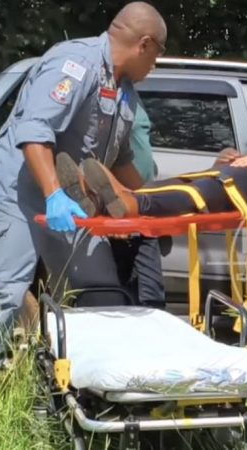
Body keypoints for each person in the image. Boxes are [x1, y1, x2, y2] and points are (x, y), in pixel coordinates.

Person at [0, 2, 167, 387]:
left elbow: (120, 163)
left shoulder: (125, 94)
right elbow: (35, 131)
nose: (155, 65)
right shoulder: (75, 63)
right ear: (144, 43)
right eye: (158, 55)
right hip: (17, 196)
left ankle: (91, 391)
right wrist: (54, 194)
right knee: (6, 296)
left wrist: (156, 199)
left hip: (70, 204)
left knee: (102, 293)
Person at [55, 149, 247, 219]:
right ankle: (101, 200)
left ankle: (126, 203)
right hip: (224, 173)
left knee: (195, 194)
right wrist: (228, 156)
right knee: (179, 184)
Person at [110, 98, 166, 308]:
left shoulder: (131, 91)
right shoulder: (103, 86)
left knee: (151, 300)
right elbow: (102, 157)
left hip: (143, 213)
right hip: (123, 215)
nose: (153, 64)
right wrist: (116, 206)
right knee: (132, 301)